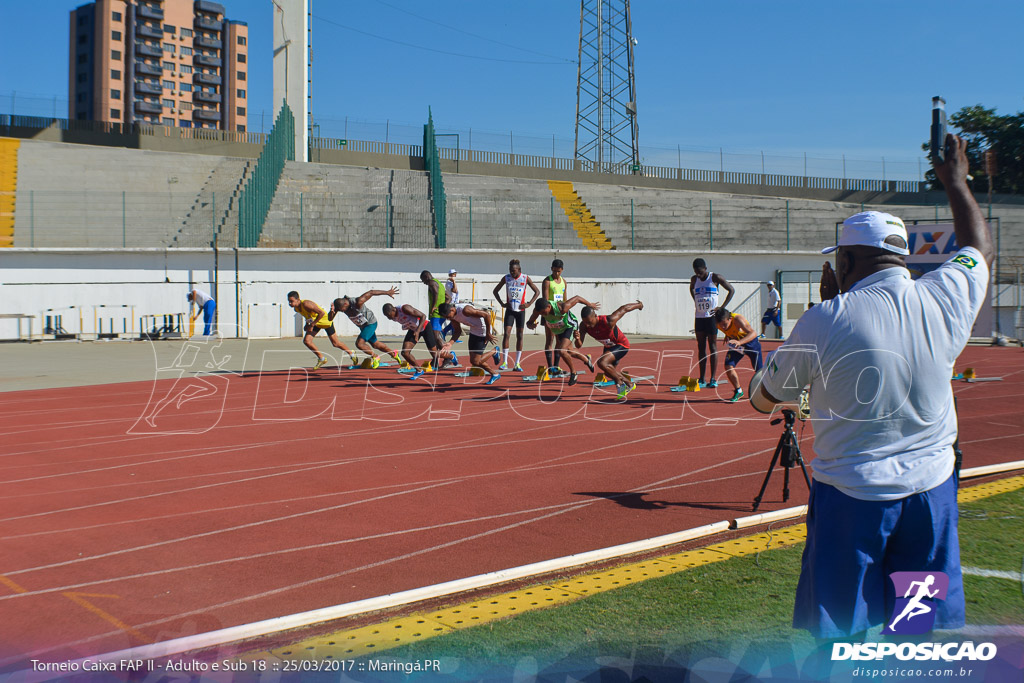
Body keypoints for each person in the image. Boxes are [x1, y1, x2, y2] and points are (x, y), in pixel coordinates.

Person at [750, 134, 993, 639]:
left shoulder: (825, 319)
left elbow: (763, 398)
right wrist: (956, 182)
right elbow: (977, 248)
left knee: (842, 631)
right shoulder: (945, 295)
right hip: (931, 492)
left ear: (845, 262)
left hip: (853, 499)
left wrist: (824, 314)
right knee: (915, 626)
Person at [578, 300, 643, 400]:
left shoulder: (608, 320)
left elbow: (624, 309)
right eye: (585, 322)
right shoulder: (583, 326)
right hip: (609, 347)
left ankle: (621, 383)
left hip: (621, 345)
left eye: (589, 322)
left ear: (595, 316)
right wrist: (577, 338)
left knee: (602, 363)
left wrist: (639, 305)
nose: (587, 325)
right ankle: (629, 384)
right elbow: (579, 345)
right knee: (609, 372)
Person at [527, 296, 596, 386]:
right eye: (541, 314)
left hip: (569, 326)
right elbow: (529, 323)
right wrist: (531, 325)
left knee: (561, 350)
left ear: (549, 306)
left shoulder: (561, 307)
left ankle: (573, 373)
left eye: (544, 312)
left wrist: (589, 304)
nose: (543, 315)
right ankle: (586, 359)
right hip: (558, 329)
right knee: (569, 352)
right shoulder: (537, 311)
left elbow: (577, 298)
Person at [690, 259, 734, 388]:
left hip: (711, 318)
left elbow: (731, 290)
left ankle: (713, 378)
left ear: (705, 268)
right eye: (696, 272)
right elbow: (691, 289)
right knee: (701, 348)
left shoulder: (715, 277)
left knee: (712, 347)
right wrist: (696, 301)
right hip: (699, 317)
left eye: (700, 272)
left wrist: (721, 307)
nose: (698, 275)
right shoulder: (694, 279)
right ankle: (702, 378)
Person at [286, 291, 357, 370]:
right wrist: (307, 324)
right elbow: (308, 315)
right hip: (316, 323)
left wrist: (312, 324)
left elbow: (321, 313)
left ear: (298, 299)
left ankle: (352, 353)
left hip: (325, 322)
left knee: (336, 343)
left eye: (291, 301)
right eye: (288, 301)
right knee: (307, 341)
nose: (289, 303)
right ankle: (322, 359)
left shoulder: (306, 304)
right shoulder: (296, 309)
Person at [332, 288, 401, 368]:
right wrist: (332, 311)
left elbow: (371, 292)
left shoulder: (357, 302)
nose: (342, 312)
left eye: (342, 310)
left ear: (345, 304)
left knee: (359, 344)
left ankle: (375, 357)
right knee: (375, 344)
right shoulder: (340, 305)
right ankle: (393, 354)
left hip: (370, 323)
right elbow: (330, 318)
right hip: (363, 327)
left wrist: (387, 292)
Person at [492, 259, 540, 371]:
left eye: (514, 271)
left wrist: (528, 303)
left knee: (520, 335)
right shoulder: (506, 278)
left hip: (520, 311)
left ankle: (517, 363)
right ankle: (504, 362)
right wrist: (502, 303)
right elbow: (495, 291)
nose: (512, 273)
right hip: (510, 310)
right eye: (510, 271)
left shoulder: (525, 278)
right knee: (507, 334)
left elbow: (537, 291)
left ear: (519, 270)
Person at [439, 302, 501, 385]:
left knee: (476, 361)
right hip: (473, 332)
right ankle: (495, 369)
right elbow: (458, 331)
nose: (448, 319)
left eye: (447, 316)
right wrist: (450, 343)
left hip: (483, 332)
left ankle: (494, 357)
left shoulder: (466, 310)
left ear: (452, 309)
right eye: (446, 317)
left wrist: (488, 333)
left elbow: (487, 315)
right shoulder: (453, 316)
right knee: (473, 361)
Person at [713, 307, 762, 403]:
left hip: (751, 344)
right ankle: (738, 390)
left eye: (725, 324)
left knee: (759, 371)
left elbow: (753, 333)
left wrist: (740, 342)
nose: (723, 327)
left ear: (730, 319)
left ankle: (766, 390)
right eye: (720, 325)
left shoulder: (738, 320)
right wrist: (728, 335)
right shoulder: (718, 322)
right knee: (728, 365)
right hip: (736, 344)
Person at [381, 302, 442, 375]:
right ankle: (419, 370)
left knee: (435, 354)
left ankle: (451, 356)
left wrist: (417, 332)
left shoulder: (404, 308)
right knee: (405, 352)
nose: (389, 318)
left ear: (393, 310)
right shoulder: (393, 316)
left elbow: (423, 316)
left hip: (424, 326)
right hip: (413, 329)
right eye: (386, 316)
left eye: (389, 315)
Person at [420, 270, 458, 367]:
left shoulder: (432, 282)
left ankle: (448, 356)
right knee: (436, 336)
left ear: (426, 277)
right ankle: (436, 359)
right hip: (441, 315)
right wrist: (445, 306)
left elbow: (436, 294)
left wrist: (433, 306)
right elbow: (448, 297)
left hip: (436, 314)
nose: (423, 282)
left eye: (423, 280)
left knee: (435, 337)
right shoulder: (439, 283)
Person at [542, 259, 568, 376]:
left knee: (559, 341)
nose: (556, 273)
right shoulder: (547, 281)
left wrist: (565, 312)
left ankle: (556, 366)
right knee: (549, 339)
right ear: (551, 268)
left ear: (562, 270)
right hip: (549, 314)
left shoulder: (564, 282)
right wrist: (549, 315)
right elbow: (545, 300)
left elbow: (565, 300)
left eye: (558, 271)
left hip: (560, 315)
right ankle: (550, 367)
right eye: (554, 271)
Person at [442, 268, 460, 341]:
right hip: (452, 304)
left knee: (455, 320)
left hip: (455, 303)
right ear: (451, 275)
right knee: (454, 319)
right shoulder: (449, 283)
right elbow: (454, 291)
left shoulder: (451, 283)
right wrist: (454, 281)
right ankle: (445, 331)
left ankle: (454, 336)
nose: (455, 275)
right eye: (454, 273)